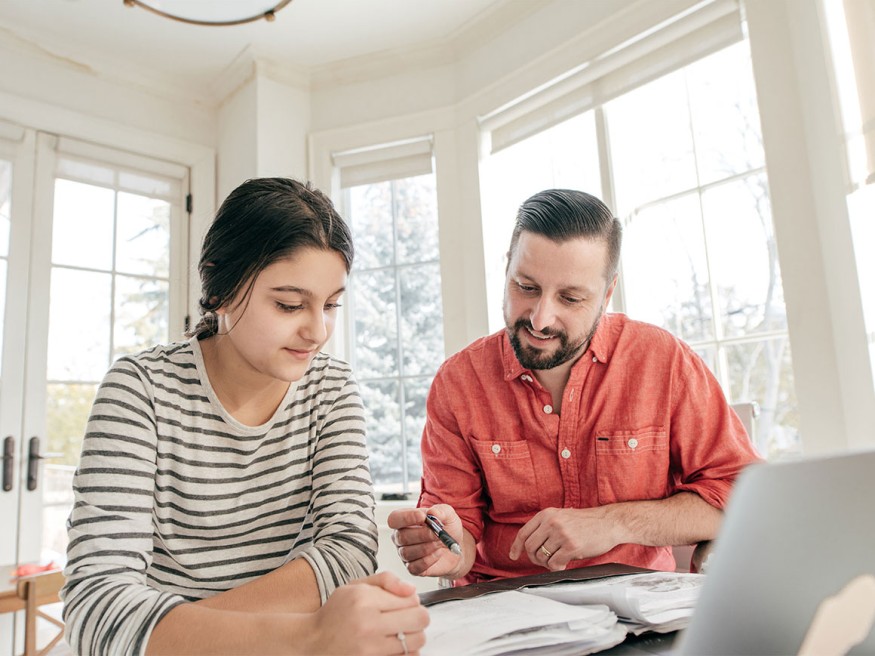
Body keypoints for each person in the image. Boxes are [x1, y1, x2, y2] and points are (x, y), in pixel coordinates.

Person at [61, 177, 428, 656]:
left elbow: (348, 549)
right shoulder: (140, 389)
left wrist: (182, 632)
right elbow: (97, 602)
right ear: (220, 288)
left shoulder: (332, 389)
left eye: (332, 305)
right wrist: (306, 637)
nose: (317, 330)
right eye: (289, 304)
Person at [388, 188, 762, 586]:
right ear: (506, 269)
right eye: (526, 288)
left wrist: (613, 523)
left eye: (570, 298)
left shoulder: (663, 361)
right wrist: (442, 548)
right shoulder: (458, 383)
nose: (540, 319)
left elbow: (746, 498)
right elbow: (457, 537)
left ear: (607, 293)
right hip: (503, 614)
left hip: (638, 611)